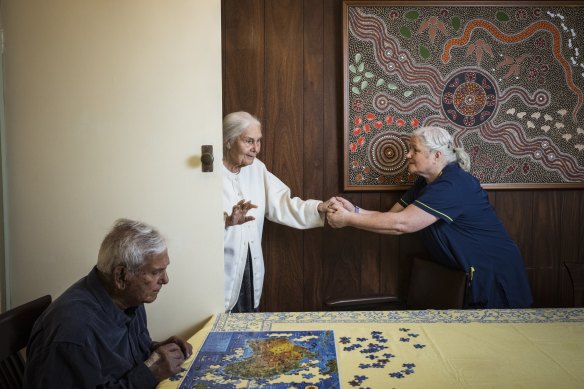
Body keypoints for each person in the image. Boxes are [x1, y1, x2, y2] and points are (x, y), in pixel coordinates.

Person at [327, 126, 532, 309]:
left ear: (436, 156)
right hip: (467, 275)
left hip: (494, 276)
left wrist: (347, 220)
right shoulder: (426, 183)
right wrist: (353, 210)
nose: (407, 155)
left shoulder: (453, 185)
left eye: (414, 150)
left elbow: (401, 225)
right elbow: (392, 217)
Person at [24, 218, 193, 388]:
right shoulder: (72, 333)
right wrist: (152, 372)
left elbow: (121, 358)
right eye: (156, 272)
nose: (165, 280)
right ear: (121, 276)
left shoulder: (130, 299)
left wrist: (155, 353)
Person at [223, 111, 333, 313]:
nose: (255, 149)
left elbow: (283, 202)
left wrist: (318, 207)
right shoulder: (210, 174)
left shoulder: (257, 168)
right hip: (222, 269)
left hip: (251, 267)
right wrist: (226, 221)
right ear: (228, 141)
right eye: (248, 141)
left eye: (258, 141)